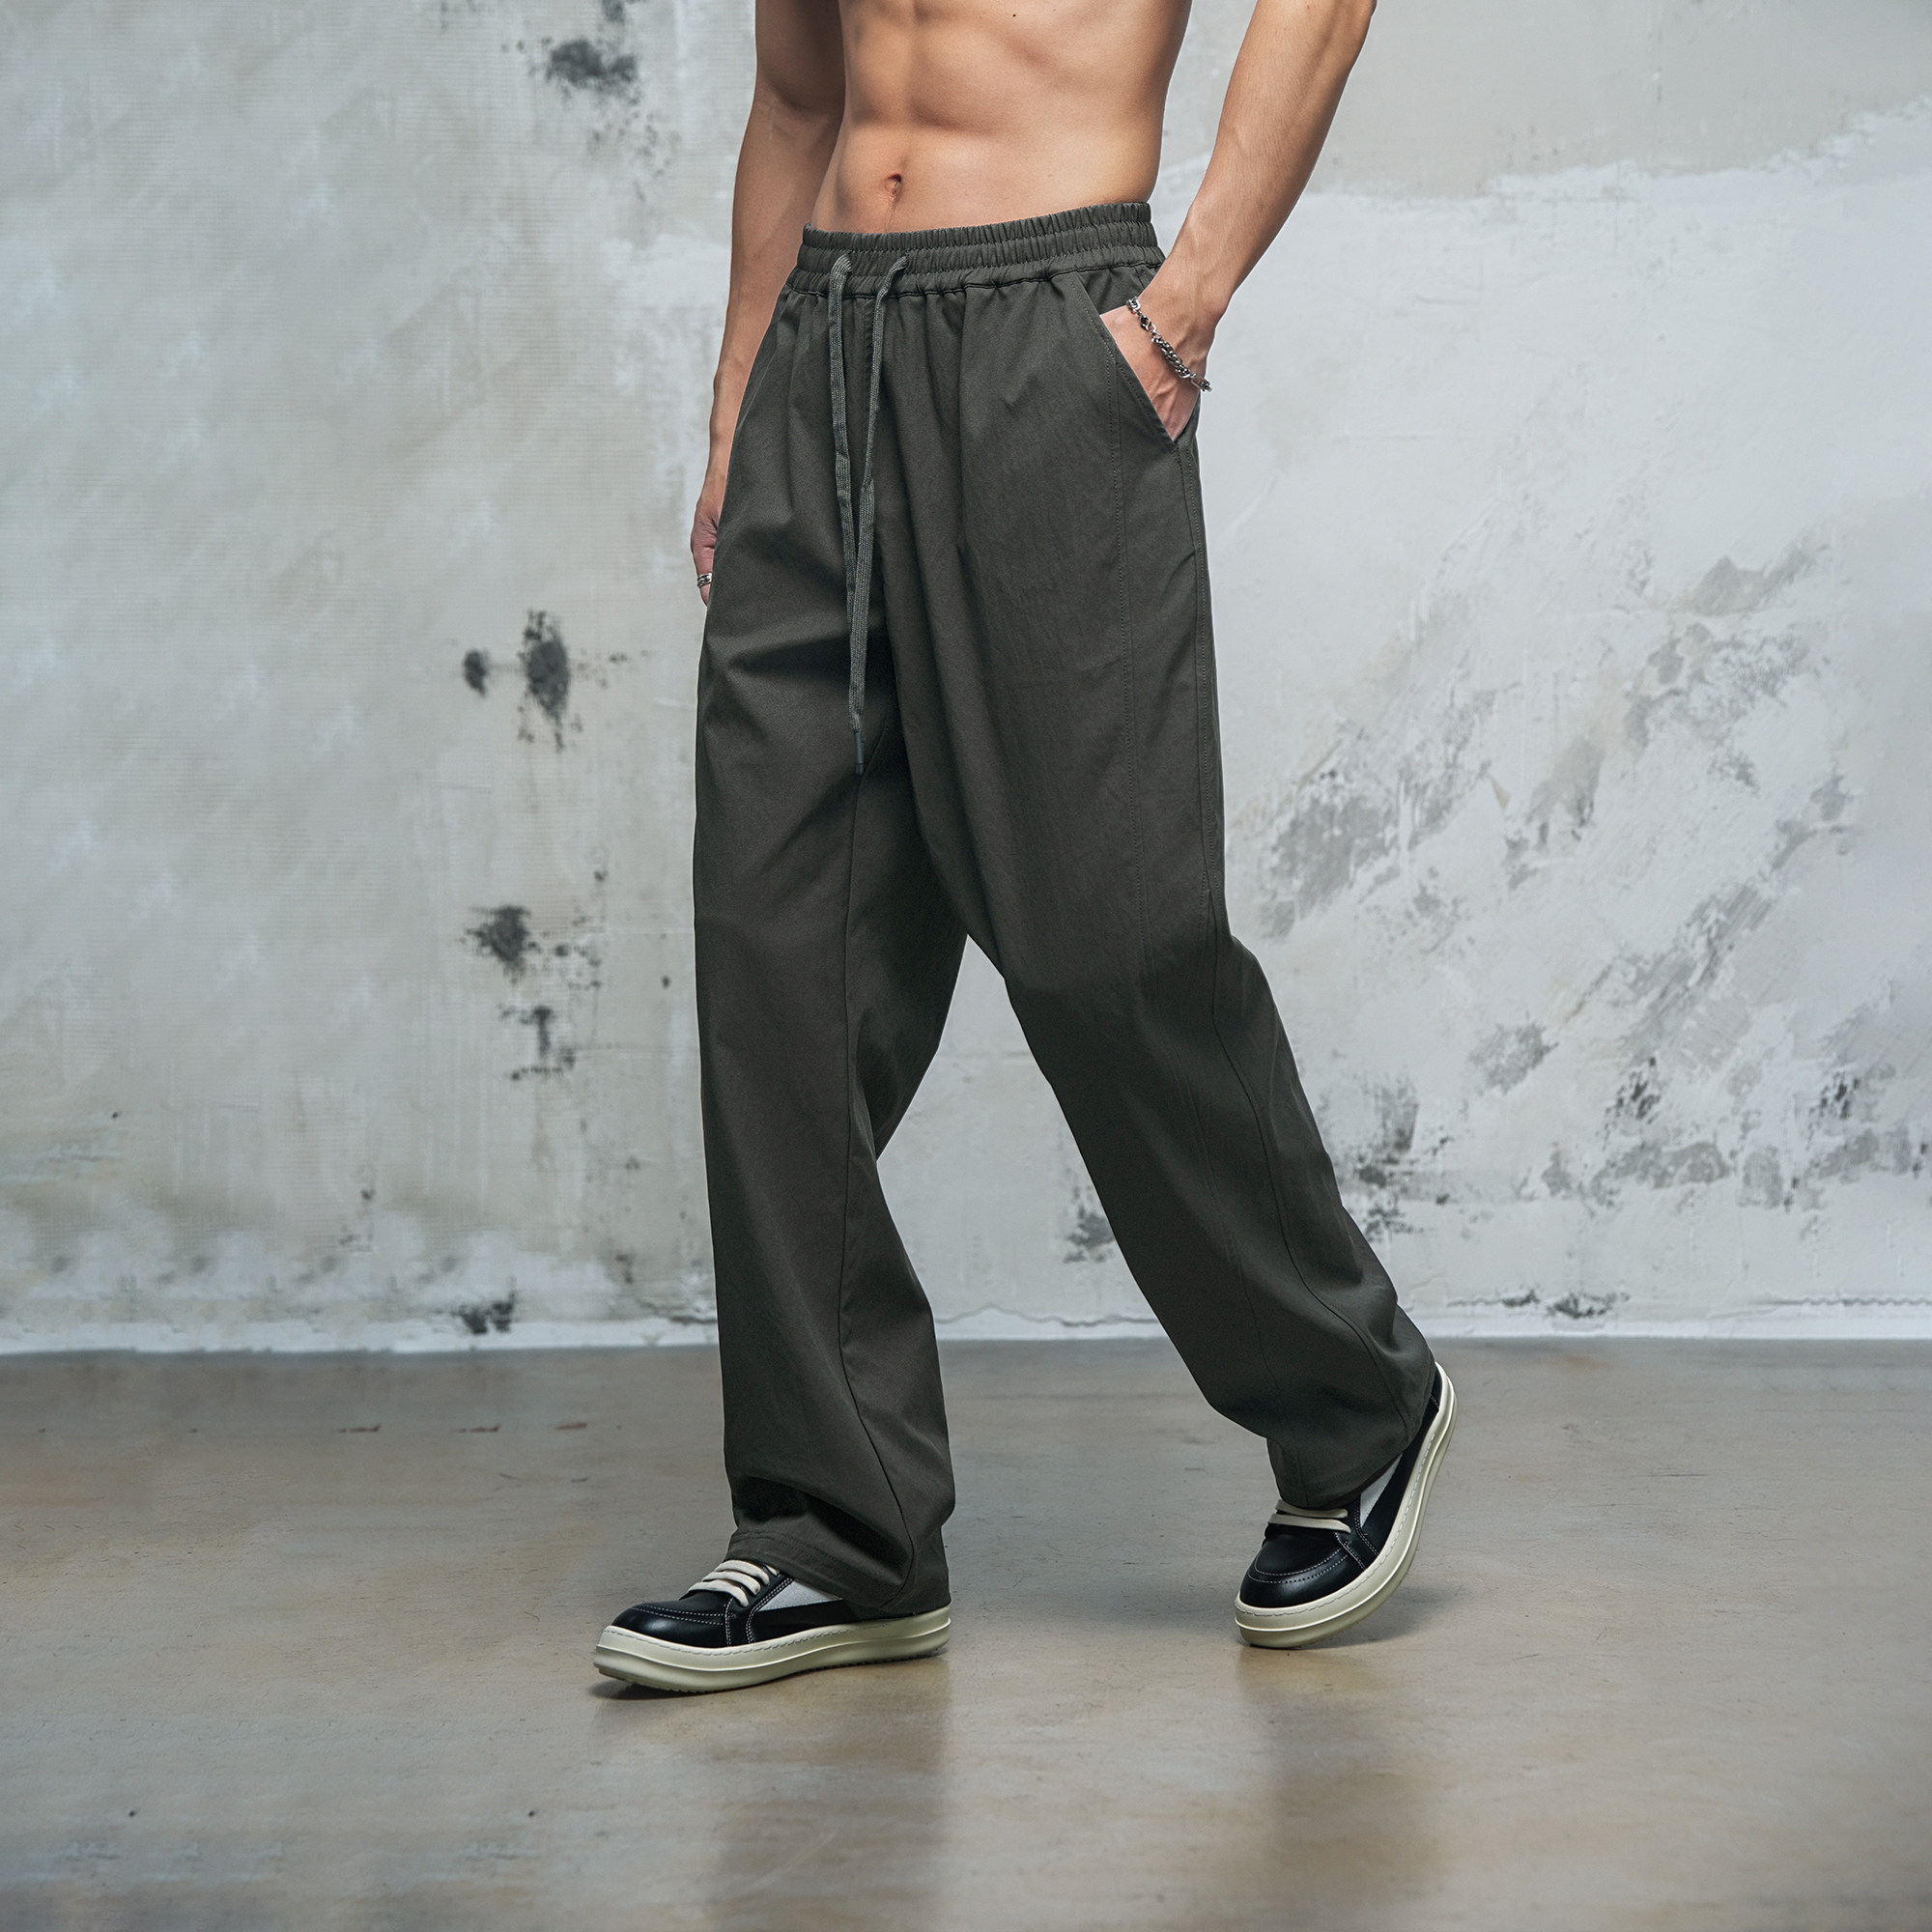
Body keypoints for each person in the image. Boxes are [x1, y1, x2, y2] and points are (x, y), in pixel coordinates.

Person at [593, 0, 1453, 1695]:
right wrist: (739, 401)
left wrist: (1188, 298)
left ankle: (1356, 1402)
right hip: (822, 348)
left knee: (1103, 939)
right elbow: (797, 91)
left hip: (1055, 330)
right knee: (779, 956)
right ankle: (837, 1530)